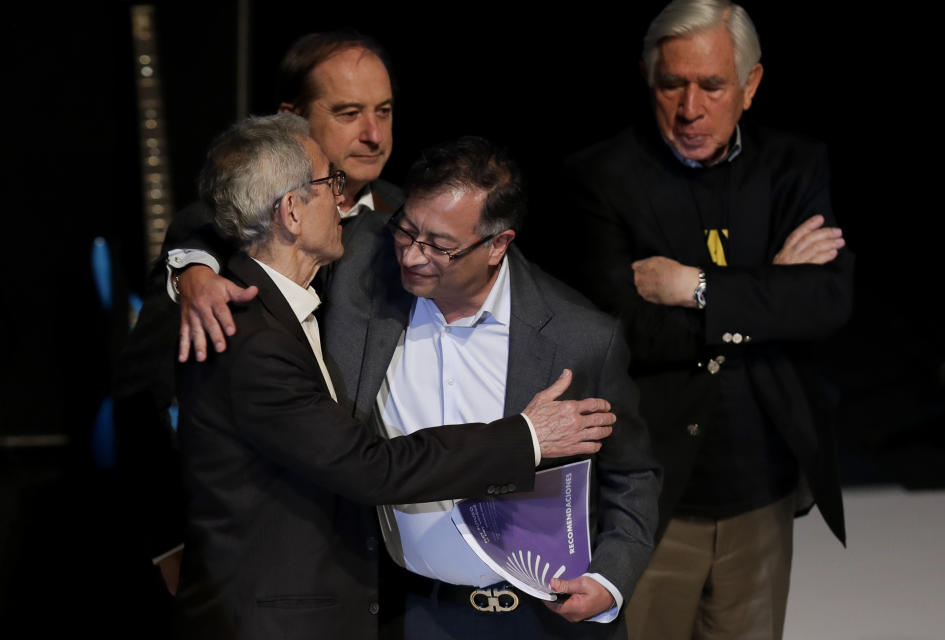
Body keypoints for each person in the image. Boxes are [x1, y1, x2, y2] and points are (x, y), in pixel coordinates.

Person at [176, 114, 616, 640]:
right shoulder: (256, 343)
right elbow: (372, 469)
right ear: (292, 212)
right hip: (276, 618)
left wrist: (192, 268)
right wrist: (526, 436)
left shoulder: (297, 302)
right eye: (329, 185)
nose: (344, 202)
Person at [556, 1, 854, 638]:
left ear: (750, 86)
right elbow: (623, 332)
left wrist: (694, 286)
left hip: (763, 489)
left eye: (713, 86)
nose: (690, 109)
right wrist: (770, 289)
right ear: (647, 77)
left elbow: (826, 302)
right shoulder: (600, 178)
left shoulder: (796, 166)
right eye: (673, 84)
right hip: (650, 499)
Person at [113, 30, 401, 592]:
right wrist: (169, 543)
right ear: (291, 117)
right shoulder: (216, 230)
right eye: (347, 113)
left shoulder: (413, 218)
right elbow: (144, 392)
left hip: (376, 558)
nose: (373, 135)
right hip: (262, 568)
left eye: (384, 111)